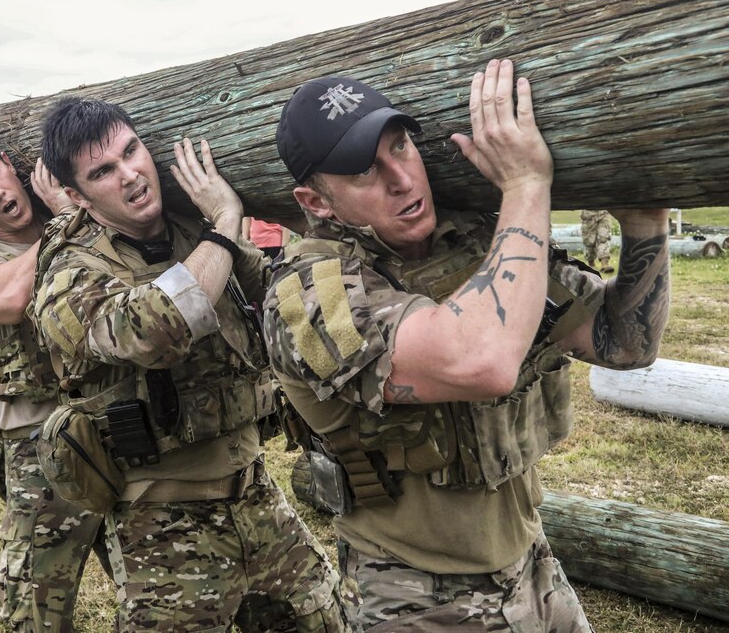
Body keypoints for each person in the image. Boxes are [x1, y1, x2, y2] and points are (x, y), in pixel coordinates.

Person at [262, 59, 671, 630]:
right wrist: (527, 185)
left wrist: (645, 218)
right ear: (316, 203)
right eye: (362, 172)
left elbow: (626, 343)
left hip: (532, 565)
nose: (402, 179)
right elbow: (483, 361)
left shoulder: (474, 241)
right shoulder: (306, 295)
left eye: (401, 147)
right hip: (417, 594)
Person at [34, 97, 342, 631]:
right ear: (75, 196)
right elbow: (155, 331)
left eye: (132, 151)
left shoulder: (185, 232)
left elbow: (282, 298)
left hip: (255, 494)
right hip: (163, 524)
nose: (130, 175)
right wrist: (224, 223)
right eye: (103, 172)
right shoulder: (68, 273)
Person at [0, 137, 109, 630]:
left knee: (158, 584)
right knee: (32, 605)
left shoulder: (79, 219)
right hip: (42, 444)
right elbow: (12, 296)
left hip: (118, 421)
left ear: (11, 165)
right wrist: (65, 219)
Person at [580, 209, 614, 273]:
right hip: (588, 213)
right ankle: (591, 263)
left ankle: (605, 264)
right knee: (589, 241)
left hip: (604, 211)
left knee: (604, 237)